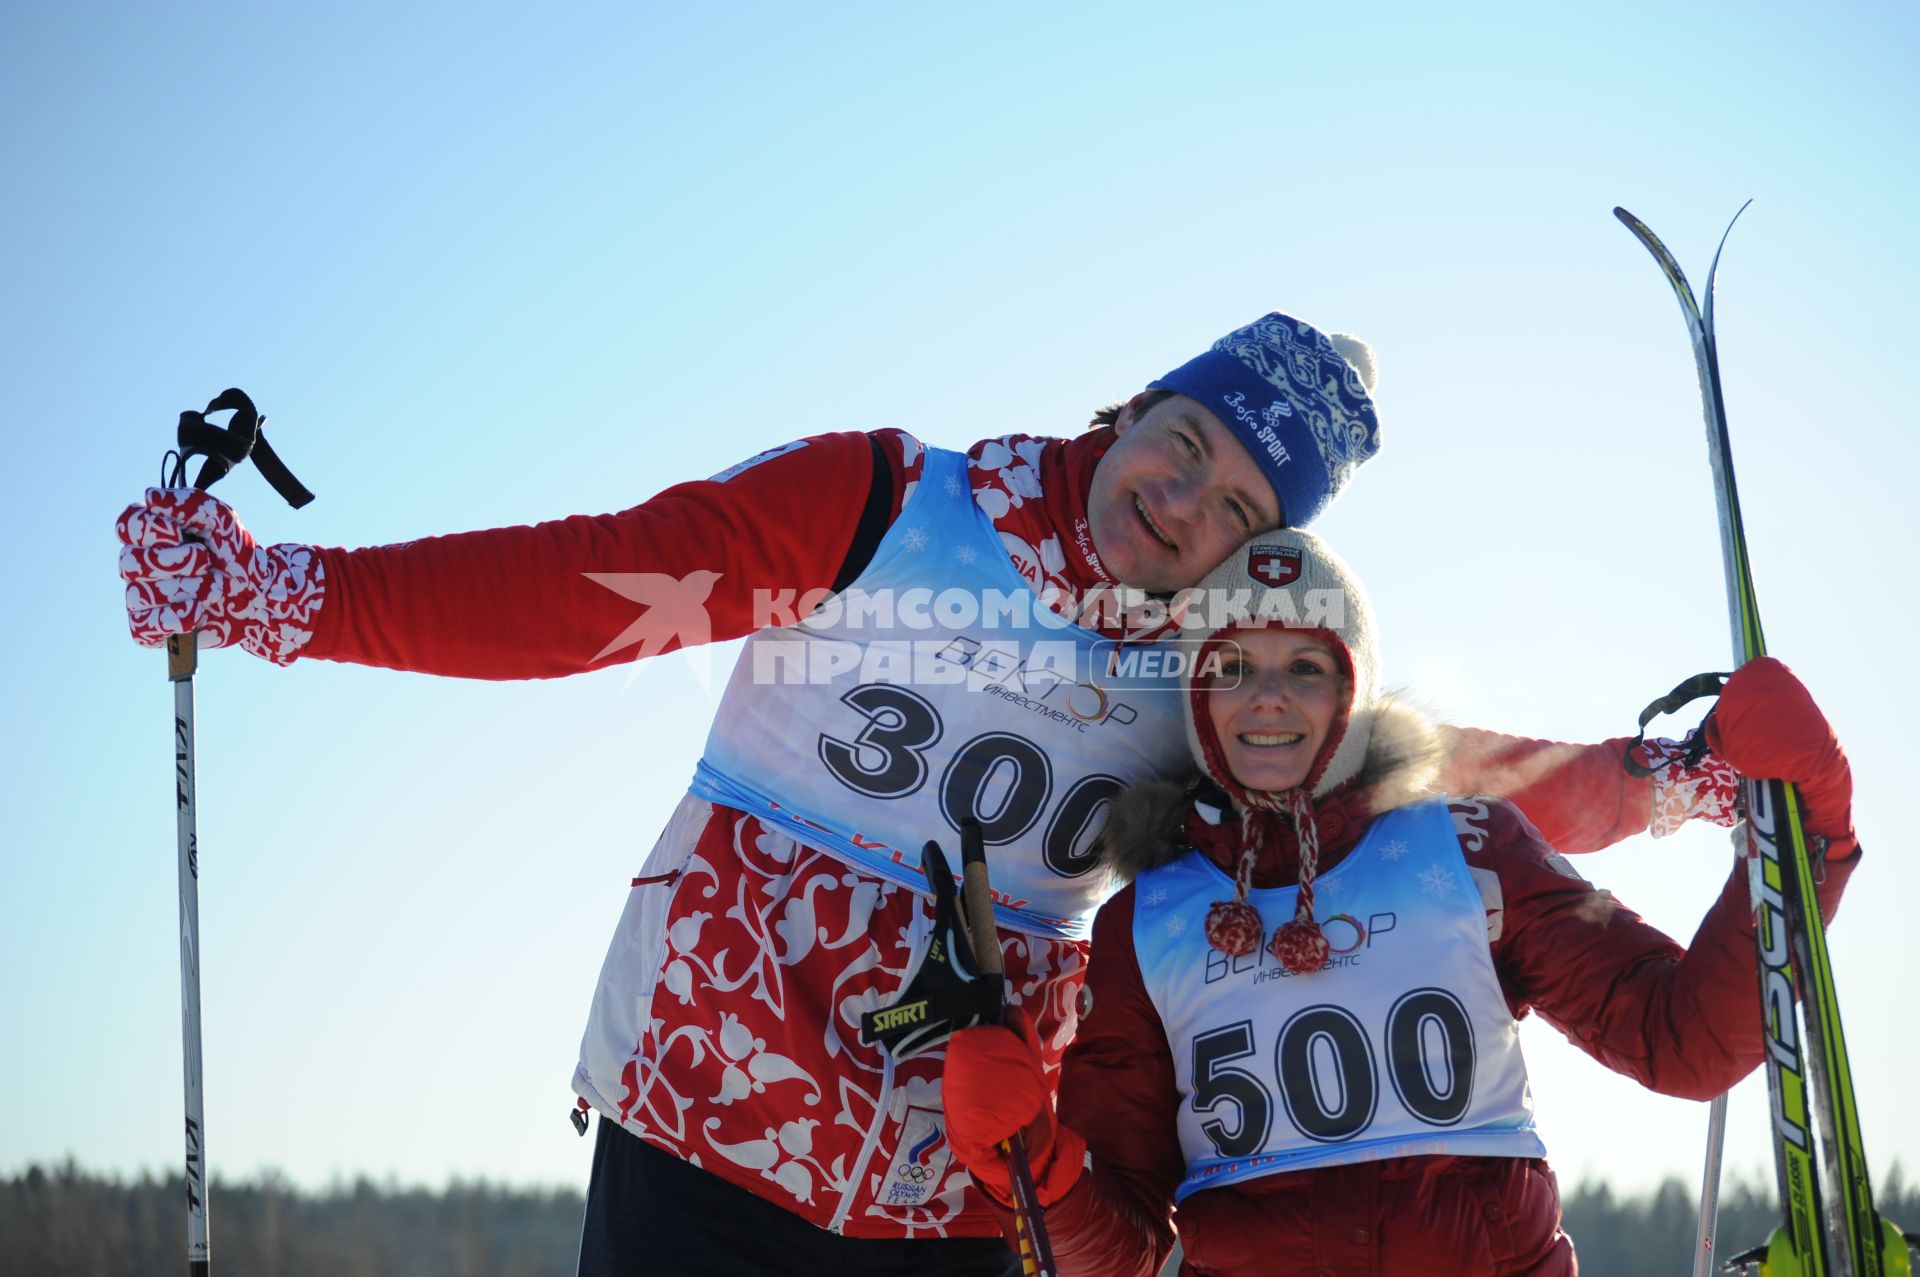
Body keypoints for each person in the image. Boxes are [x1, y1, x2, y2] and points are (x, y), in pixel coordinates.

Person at [118, 314, 1746, 1274]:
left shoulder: (1215, 674)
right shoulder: (891, 504)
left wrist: (1681, 784)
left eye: (1235, 503)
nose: (1181, 506)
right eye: (1183, 444)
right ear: (1131, 409)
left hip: (964, 1183)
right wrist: (286, 597)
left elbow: (1450, 770)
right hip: (709, 1129)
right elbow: (586, 589)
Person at [940, 529, 1858, 1275]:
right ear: (1195, 689)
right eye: (1233, 667)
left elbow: (1681, 1037)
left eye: (1306, 666)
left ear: (1355, 687)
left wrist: (1803, 840)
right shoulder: (1144, 924)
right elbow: (1120, 1252)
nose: (1267, 700)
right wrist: (1034, 1161)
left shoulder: (1470, 847)